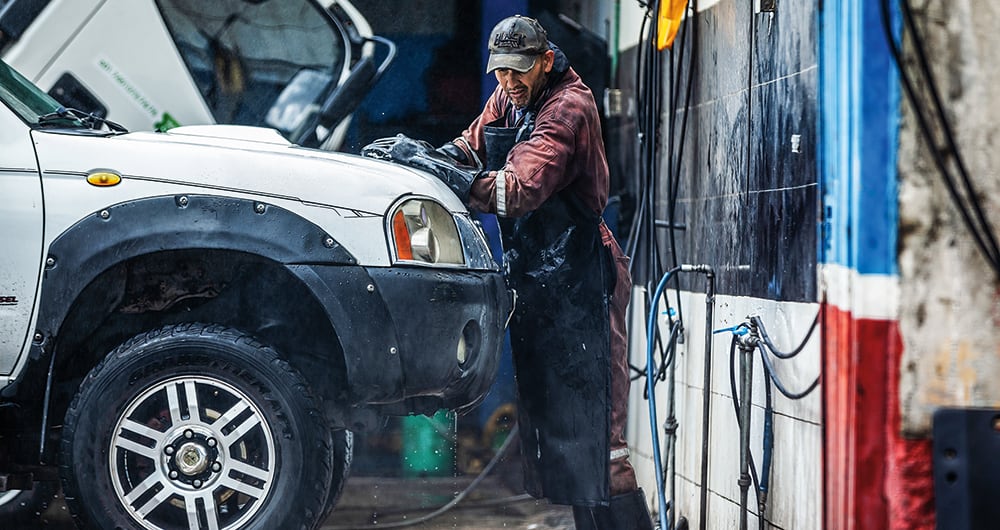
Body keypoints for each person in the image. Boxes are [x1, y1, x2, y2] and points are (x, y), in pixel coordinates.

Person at [363, 15, 653, 530]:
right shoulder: (510, 97)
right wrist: (418, 160)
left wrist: (444, 171)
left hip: (585, 282)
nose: (509, 82)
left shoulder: (568, 108)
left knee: (602, 449)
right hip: (544, 281)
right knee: (567, 443)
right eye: (501, 72)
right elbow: (469, 147)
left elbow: (515, 192)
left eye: (519, 71)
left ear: (545, 60)